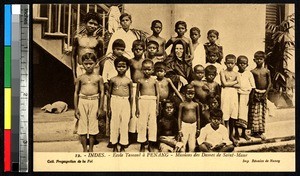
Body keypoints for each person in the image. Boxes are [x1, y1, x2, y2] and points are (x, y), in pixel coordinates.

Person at [74, 52, 104, 152]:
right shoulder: (80, 78)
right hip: (82, 101)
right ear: (82, 64)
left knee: (93, 125)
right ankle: (84, 149)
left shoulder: (99, 78)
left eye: (90, 63)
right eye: (86, 63)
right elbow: (76, 92)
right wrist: (76, 108)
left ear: (95, 64)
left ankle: (90, 149)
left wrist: (100, 108)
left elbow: (102, 92)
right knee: (82, 126)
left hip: (94, 101)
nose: (88, 66)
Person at [100, 39, 131, 138]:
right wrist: (107, 88)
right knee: (112, 114)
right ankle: (111, 137)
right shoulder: (109, 61)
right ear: (113, 49)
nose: (120, 52)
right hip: (110, 86)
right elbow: (104, 76)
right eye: (117, 49)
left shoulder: (125, 62)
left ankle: (122, 137)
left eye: (122, 50)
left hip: (122, 87)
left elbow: (128, 77)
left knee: (123, 115)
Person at [107, 56, 133, 152]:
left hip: (125, 102)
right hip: (115, 101)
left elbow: (131, 96)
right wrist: (109, 108)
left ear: (127, 68)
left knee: (124, 123)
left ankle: (123, 144)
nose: (121, 68)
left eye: (123, 66)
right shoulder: (113, 80)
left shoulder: (129, 80)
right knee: (114, 123)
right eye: (119, 66)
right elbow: (109, 94)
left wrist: (130, 109)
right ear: (115, 67)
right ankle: (114, 144)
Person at [72, 12, 104, 84]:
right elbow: (73, 57)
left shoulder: (99, 40)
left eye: (95, 24)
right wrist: (74, 76)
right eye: (90, 23)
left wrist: (101, 76)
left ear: (98, 26)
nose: (92, 26)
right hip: (81, 68)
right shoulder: (78, 38)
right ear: (85, 23)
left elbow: (101, 59)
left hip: (95, 69)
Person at [136, 59, 160, 152]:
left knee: (152, 123)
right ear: (142, 69)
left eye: (149, 69)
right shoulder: (140, 81)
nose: (147, 71)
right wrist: (137, 108)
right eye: (145, 69)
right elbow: (136, 95)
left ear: (153, 70)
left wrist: (157, 107)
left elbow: (157, 94)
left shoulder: (155, 81)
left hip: (152, 102)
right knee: (142, 123)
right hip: (142, 101)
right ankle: (142, 143)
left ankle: (150, 143)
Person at [248, 51, 271, 140]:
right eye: (257, 59)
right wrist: (254, 95)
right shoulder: (252, 71)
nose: (259, 61)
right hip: (255, 93)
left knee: (262, 113)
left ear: (264, 60)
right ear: (254, 60)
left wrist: (265, 94)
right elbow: (252, 84)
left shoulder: (267, 71)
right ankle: (254, 131)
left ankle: (261, 131)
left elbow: (269, 84)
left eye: (261, 59)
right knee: (254, 113)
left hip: (263, 94)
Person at [220, 54, 240, 145]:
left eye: (232, 63)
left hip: (233, 94)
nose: (230, 65)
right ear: (225, 63)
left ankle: (231, 135)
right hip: (225, 93)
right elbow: (224, 84)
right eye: (228, 63)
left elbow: (239, 85)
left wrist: (230, 83)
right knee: (225, 113)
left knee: (233, 114)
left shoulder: (237, 73)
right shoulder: (223, 72)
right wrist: (235, 82)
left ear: (235, 64)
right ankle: (225, 135)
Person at [128, 40, 146, 143]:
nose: (138, 51)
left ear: (144, 50)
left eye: (140, 49)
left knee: (142, 111)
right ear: (132, 50)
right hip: (134, 87)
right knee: (133, 110)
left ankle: (142, 135)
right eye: (136, 49)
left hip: (143, 87)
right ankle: (131, 134)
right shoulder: (130, 61)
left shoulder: (146, 61)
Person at [236, 55, 256, 140]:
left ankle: (244, 133)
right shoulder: (235, 73)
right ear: (237, 64)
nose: (242, 65)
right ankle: (236, 133)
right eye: (240, 63)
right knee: (236, 114)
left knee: (244, 115)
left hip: (246, 96)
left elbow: (253, 87)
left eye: (244, 63)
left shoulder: (249, 74)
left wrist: (251, 98)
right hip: (237, 95)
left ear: (247, 65)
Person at [178, 84, 200, 152]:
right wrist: (179, 130)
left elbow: (198, 117)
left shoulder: (196, 104)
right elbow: (179, 117)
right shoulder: (182, 104)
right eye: (188, 93)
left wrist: (198, 129)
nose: (190, 95)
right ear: (184, 94)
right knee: (183, 144)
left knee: (192, 146)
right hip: (184, 125)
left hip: (193, 125)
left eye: (192, 93)